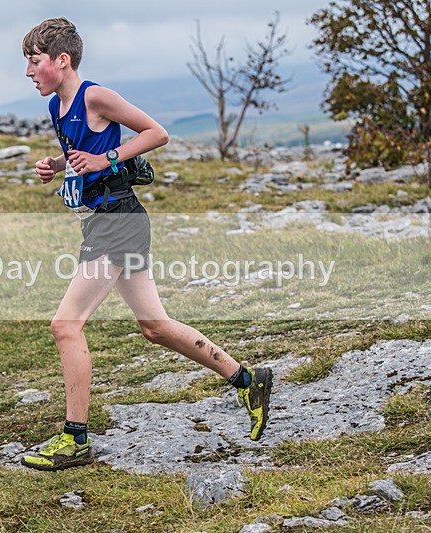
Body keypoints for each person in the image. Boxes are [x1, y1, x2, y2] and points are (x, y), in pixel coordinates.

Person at [19, 18, 273, 472]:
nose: (28, 71)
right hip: (107, 223)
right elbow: (82, 149)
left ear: (62, 60)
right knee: (155, 326)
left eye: (34, 61)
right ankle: (246, 378)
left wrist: (107, 157)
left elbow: (157, 133)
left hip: (118, 223)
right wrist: (58, 164)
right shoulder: (58, 107)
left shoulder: (95, 95)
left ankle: (75, 438)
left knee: (65, 326)